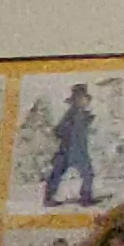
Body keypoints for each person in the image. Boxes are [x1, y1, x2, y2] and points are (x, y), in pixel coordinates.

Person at [42, 81, 103, 209]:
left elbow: (65, 130)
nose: (86, 101)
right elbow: (58, 130)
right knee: (64, 173)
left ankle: (84, 197)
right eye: (83, 99)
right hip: (70, 150)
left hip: (74, 150)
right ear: (77, 99)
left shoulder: (80, 114)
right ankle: (82, 197)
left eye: (86, 99)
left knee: (83, 173)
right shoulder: (72, 114)